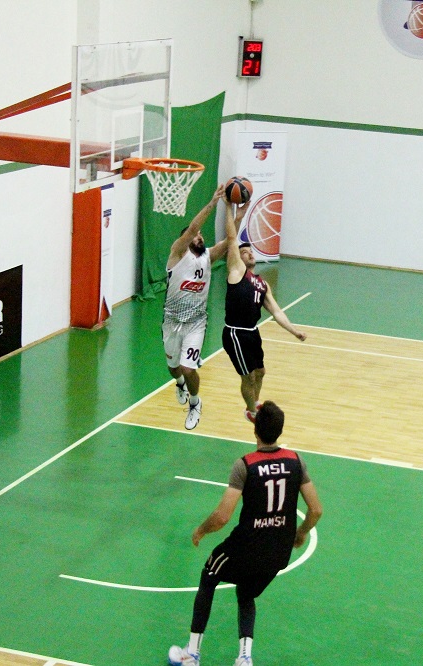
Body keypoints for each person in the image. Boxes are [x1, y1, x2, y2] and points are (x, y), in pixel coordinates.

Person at [168, 401, 323, 666]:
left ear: (255, 430)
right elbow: (316, 509)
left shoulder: (245, 465)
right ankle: (244, 658)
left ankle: (192, 654)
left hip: (247, 547)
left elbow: (222, 517)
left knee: (209, 576)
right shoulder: (296, 462)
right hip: (278, 553)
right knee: (246, 593)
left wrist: (200, 530)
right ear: (280, 430)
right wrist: (301, 533)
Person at [221, 203, 307, 423]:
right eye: (244, 252)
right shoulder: (237, 271)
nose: (249, 253)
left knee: (260, 372)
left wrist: (294, 331)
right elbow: (231, 238)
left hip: (252, 332)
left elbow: (277, 312)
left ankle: (255, 403)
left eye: (250, 251)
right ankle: (251, 411)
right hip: (236, 333)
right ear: (237, 258)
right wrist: (231, 209)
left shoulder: (262, 284)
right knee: (248, 376)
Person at [163, 184, 227, 430]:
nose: (200, 236)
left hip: (196, 323)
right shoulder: (178, 254)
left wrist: (237, 213)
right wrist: (212, 203)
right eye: (196, 235)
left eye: (201, 235)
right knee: (174, 368)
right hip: (171, 321)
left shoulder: (207, 258)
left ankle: (195, 402)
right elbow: (191, 229)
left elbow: (230, 241)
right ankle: (179, 383)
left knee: (188, 368)